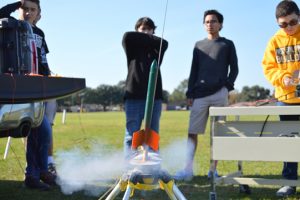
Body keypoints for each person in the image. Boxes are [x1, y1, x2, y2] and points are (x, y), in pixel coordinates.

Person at [174, 9, 238, 181]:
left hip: (219, 94)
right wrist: (190, 92)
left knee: (217, 133)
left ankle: (213, 170)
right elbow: (193, 70)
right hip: (199, 95)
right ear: (204, 25)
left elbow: (235, 68)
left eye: (214, 21)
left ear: (221, 24)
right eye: (207, 22)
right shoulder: (198, 45)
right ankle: (187, 169)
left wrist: (227, 87)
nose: (210, 24)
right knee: (192, 132)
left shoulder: (227, 44)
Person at [0, 0, 56, 190]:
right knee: (37, 129)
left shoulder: (39, 33)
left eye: (33, 9)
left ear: (38, 13)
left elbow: (42, 58)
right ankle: (35, 173)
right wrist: (17, 3)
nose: (28, 12)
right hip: (16, 87)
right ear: (19, 10)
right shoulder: (9, 26)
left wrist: (48, 77)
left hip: (35, 88)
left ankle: (37, 173)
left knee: (43, 131)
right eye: (25, 9)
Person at [262, 0, 300, 197]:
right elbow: (268, 68)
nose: (289, 28)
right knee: (289, 144)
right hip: (285, 100)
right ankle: (289, 182)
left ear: (299, 17)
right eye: (283, 25)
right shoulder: (274, 41)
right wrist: (282, 77)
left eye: (292, 22)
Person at [122, 17, 168, 160]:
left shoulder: (158, 47)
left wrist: (147, 38)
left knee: (152, 134)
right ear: (137, 29)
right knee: (132, 135)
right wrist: (149, 38)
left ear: (154, 30)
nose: (146, 32)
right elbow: (127, 36)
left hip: (154, 96)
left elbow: (164, 43)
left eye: (149, 29)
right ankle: (129, 168)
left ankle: (152, 169)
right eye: (142, 29)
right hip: (134, 95)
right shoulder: (131, 44)